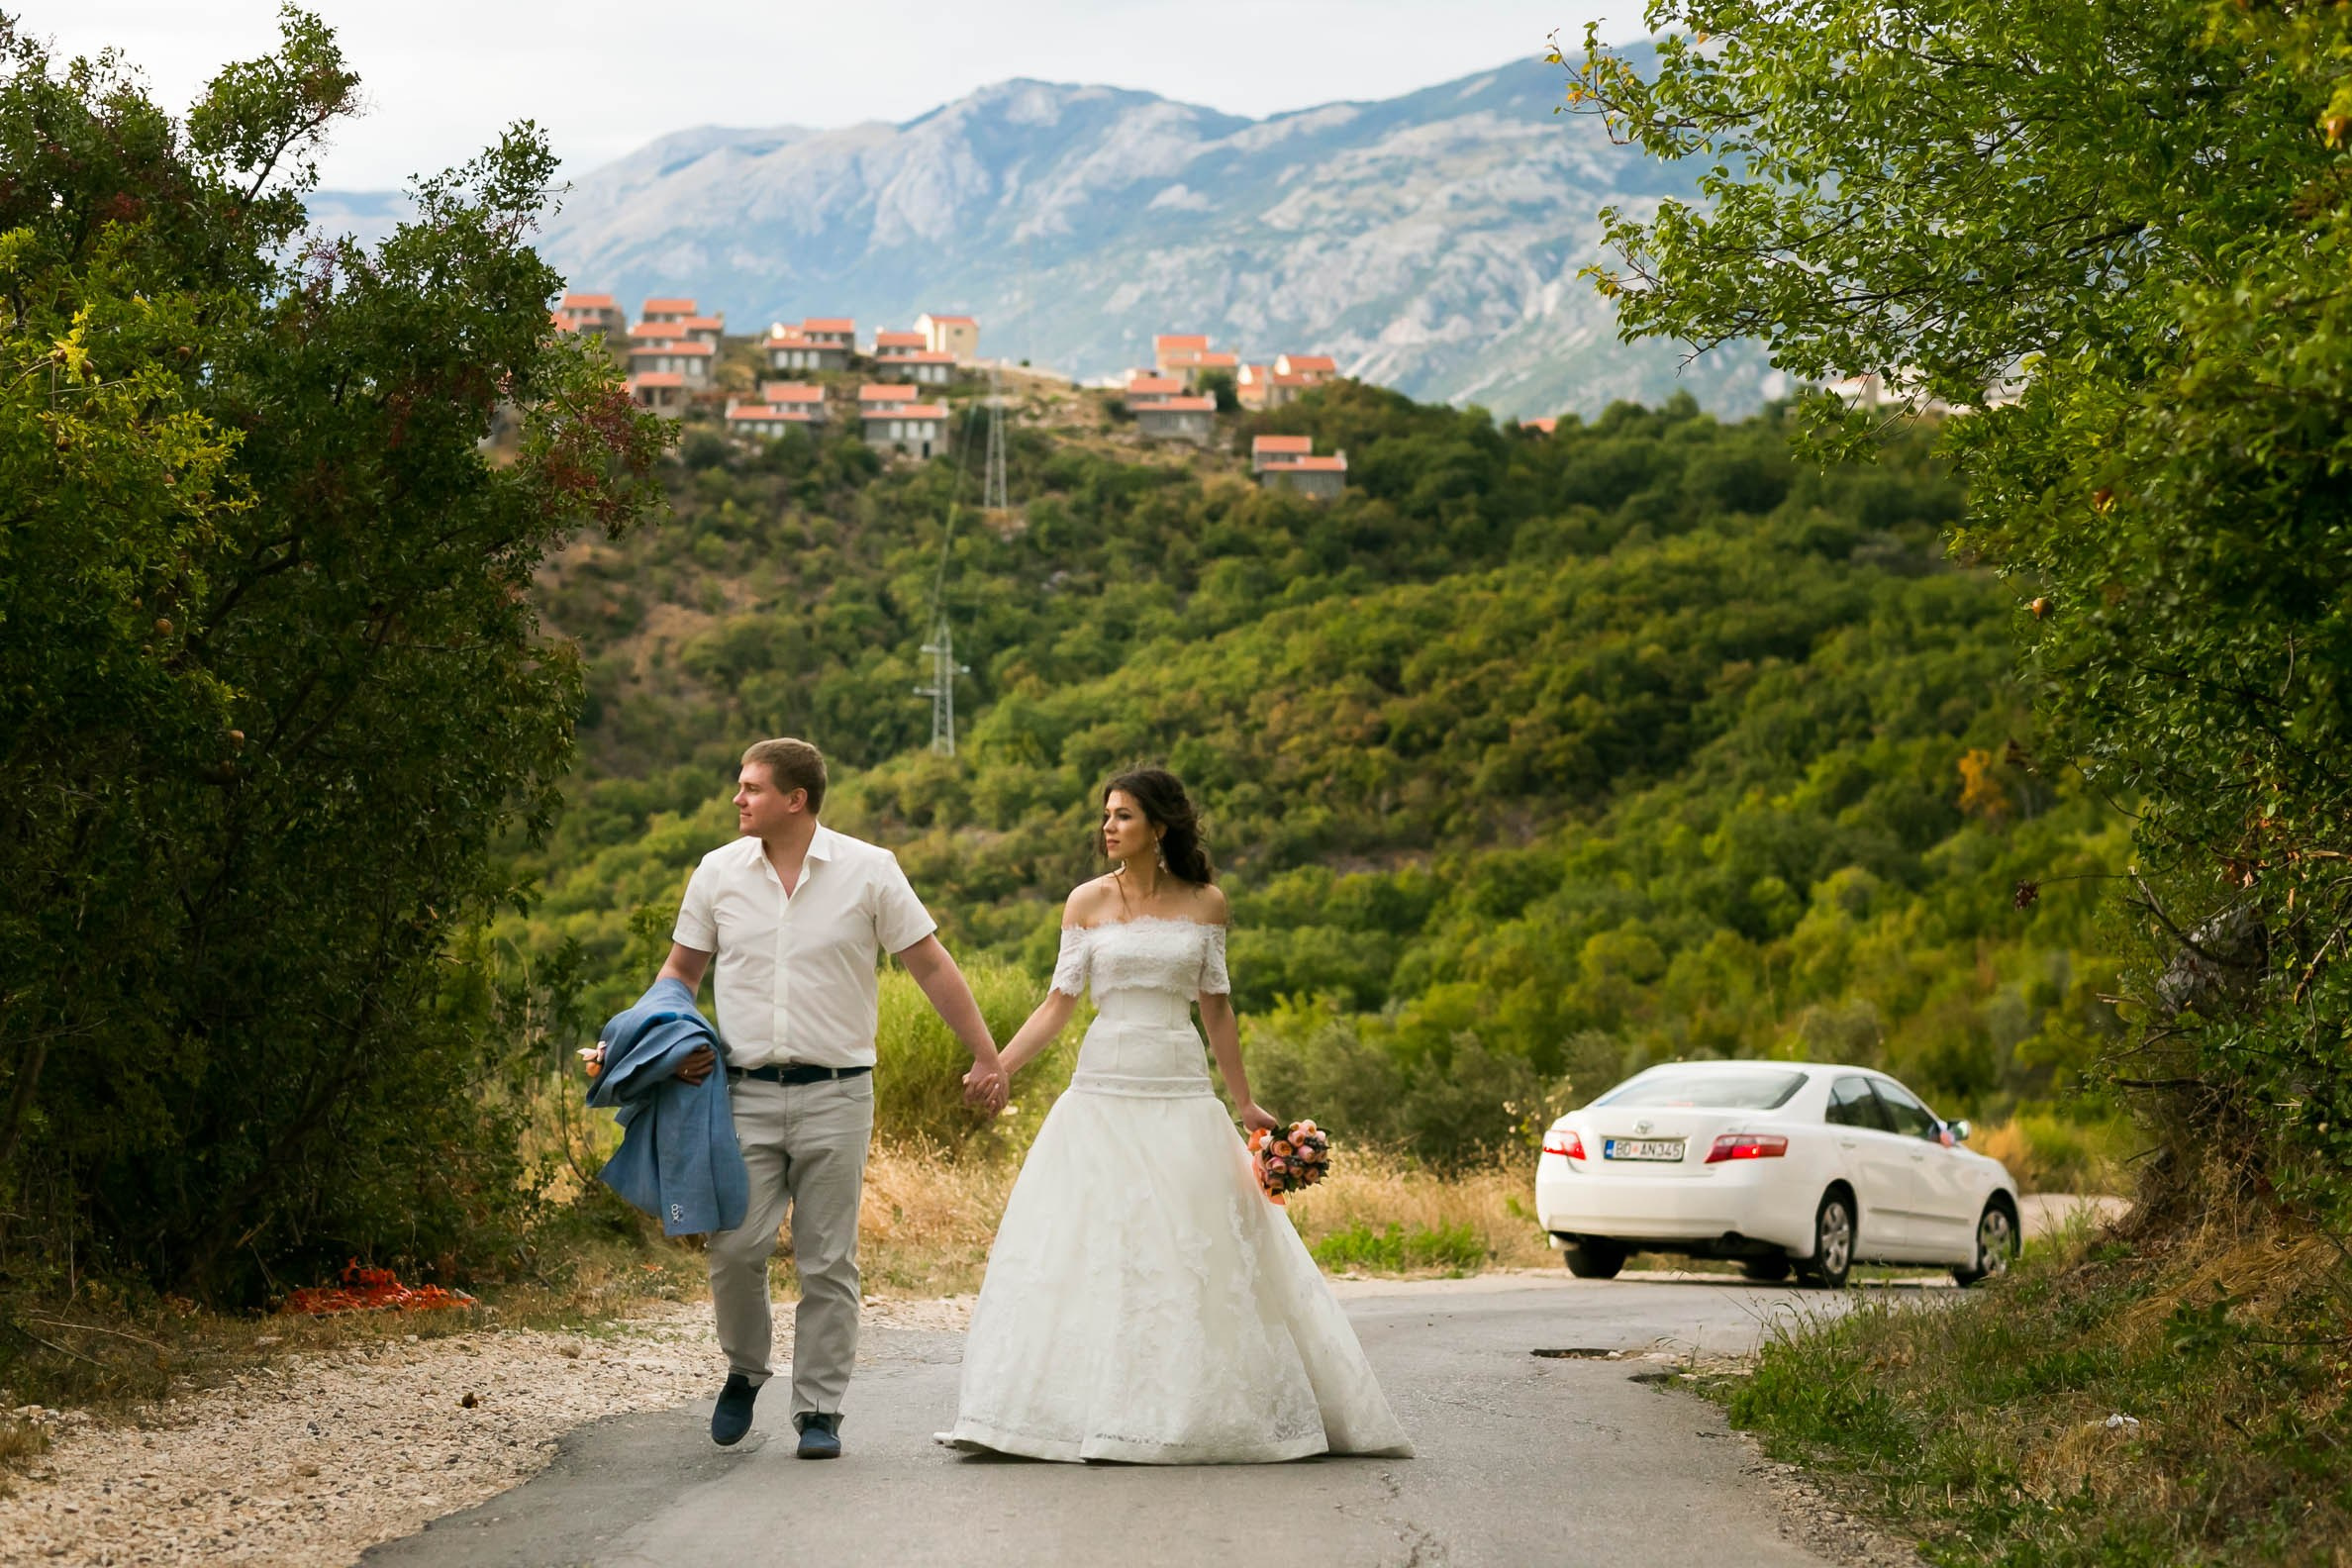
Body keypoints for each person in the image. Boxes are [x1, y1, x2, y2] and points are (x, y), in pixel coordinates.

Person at [941, 767, 1413, 1463]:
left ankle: (1187, 1407)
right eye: (1105, 815)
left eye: (1124, 816)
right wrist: (999, 1067)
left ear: (1159, 828)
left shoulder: (1207, 904)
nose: (1108, 827)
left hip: (1179, 1085)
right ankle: (1061, 1410)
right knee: (1090, 1239)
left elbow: (1216, 1007)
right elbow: (1058, 1004)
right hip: (1102, 1087)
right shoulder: (1085, 902)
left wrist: (1243, 1100)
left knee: (1191, 1238)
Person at [659, 737, 1007, 1458]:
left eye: (751, 787)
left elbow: (929, 963)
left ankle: (819, 1411)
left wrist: (985, 1053)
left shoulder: (869, 872)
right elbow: (680, 974)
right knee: (735, 1248)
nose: (737, 798)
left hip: (840, 1095)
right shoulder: (717, 873)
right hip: (743, 1094)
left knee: (827, 1262)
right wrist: (652, 1042)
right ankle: (746, 1368)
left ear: (796, 799)